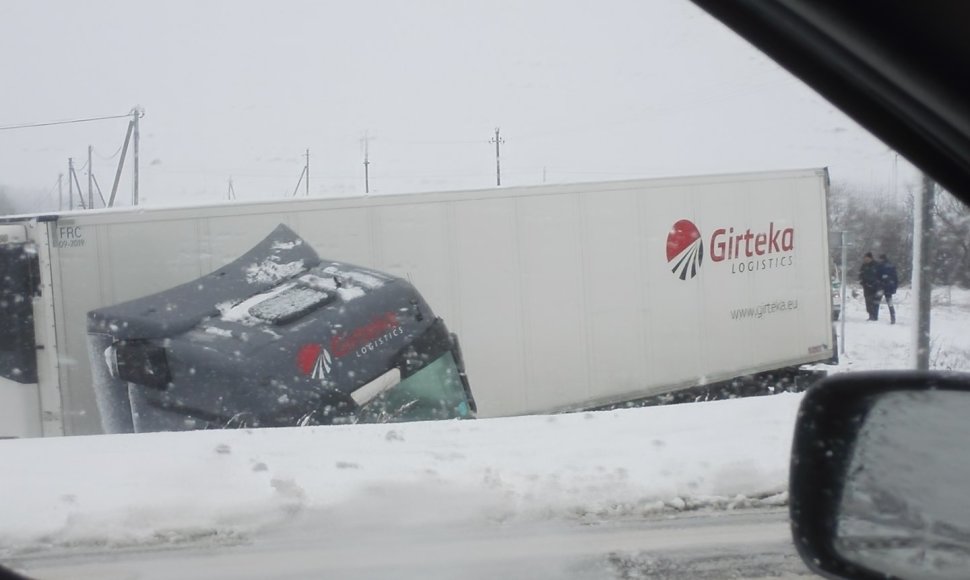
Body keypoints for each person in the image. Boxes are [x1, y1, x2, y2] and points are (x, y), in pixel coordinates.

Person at [859, 252, 881, 321]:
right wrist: (862, 281)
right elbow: (861, 274)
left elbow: (879, 275)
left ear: (870, 258)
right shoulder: (864, 266)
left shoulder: (876, 265)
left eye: (867, 258)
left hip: (875, 287)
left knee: (875, 302)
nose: (865, 260)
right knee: (868, 302)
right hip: (866, 287)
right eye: (865, 258)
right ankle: (871, 315)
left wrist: (876, 283)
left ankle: (874, 316)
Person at [878, 254, 898, 324]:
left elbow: (878, 277)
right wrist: (895, 287)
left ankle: (874, 316)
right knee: (890, 302)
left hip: (882, 287)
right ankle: (893, 317)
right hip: (889, 287)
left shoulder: (880, 266)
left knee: (876, 302)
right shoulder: (891, 266)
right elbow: (895, 278)